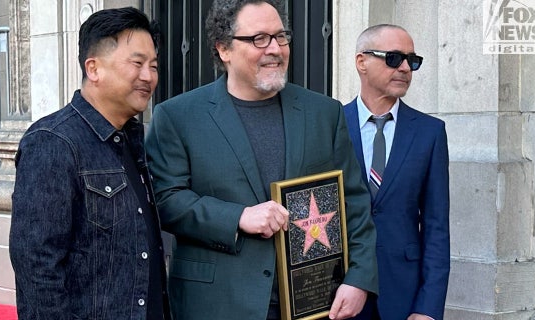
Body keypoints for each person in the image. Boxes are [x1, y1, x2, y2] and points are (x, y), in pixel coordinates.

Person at [145, 1, 378, 319]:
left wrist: (359, 280)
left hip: (312, 303)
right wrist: (237, 217)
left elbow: (354, 204)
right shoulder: (177, 116)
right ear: (224, 49)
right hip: (216, 303)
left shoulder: (325, 113)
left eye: (281, 37)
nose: (275, 49)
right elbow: (165, 200)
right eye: (259, 39)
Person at [9, 7, 170, 319]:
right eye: (137, 63)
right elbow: (38, 270)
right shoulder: (53, 141)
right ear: (93, 68)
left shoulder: (133, 141)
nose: (149, 76)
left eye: (153, 65)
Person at [343, 24, 450, 320]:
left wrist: (427, 309)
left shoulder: (430, 133)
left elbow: (436, 227)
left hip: (404, 296)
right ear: (361, 62)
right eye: (393, 58)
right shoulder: (332, 125)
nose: (405, 68)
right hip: (340, 293)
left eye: (411, 61)